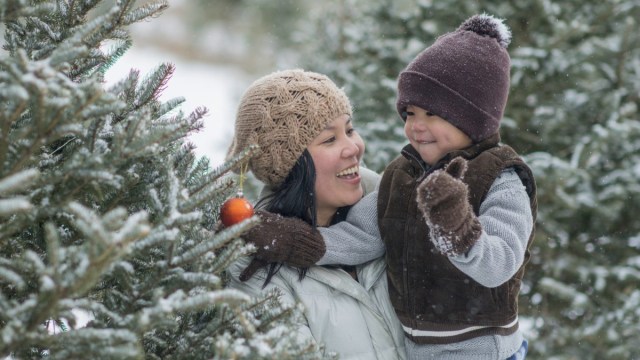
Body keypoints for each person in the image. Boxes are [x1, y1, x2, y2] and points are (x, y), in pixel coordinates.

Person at [240, 14, 537, 360]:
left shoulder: (501, 178)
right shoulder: (402, 177)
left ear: (470, 118)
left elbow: (499, 264)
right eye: (410, 113)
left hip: (481, 347)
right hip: (422, 349)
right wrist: (291, 240)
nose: (416, 126)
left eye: (432, 114)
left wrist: (458, 227)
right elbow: (361, 237)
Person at [225, 69, 407, 359]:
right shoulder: (257, 271)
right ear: (291, 167)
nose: (353, 148)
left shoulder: (397, 217)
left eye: (349, 130)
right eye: (329, 140)